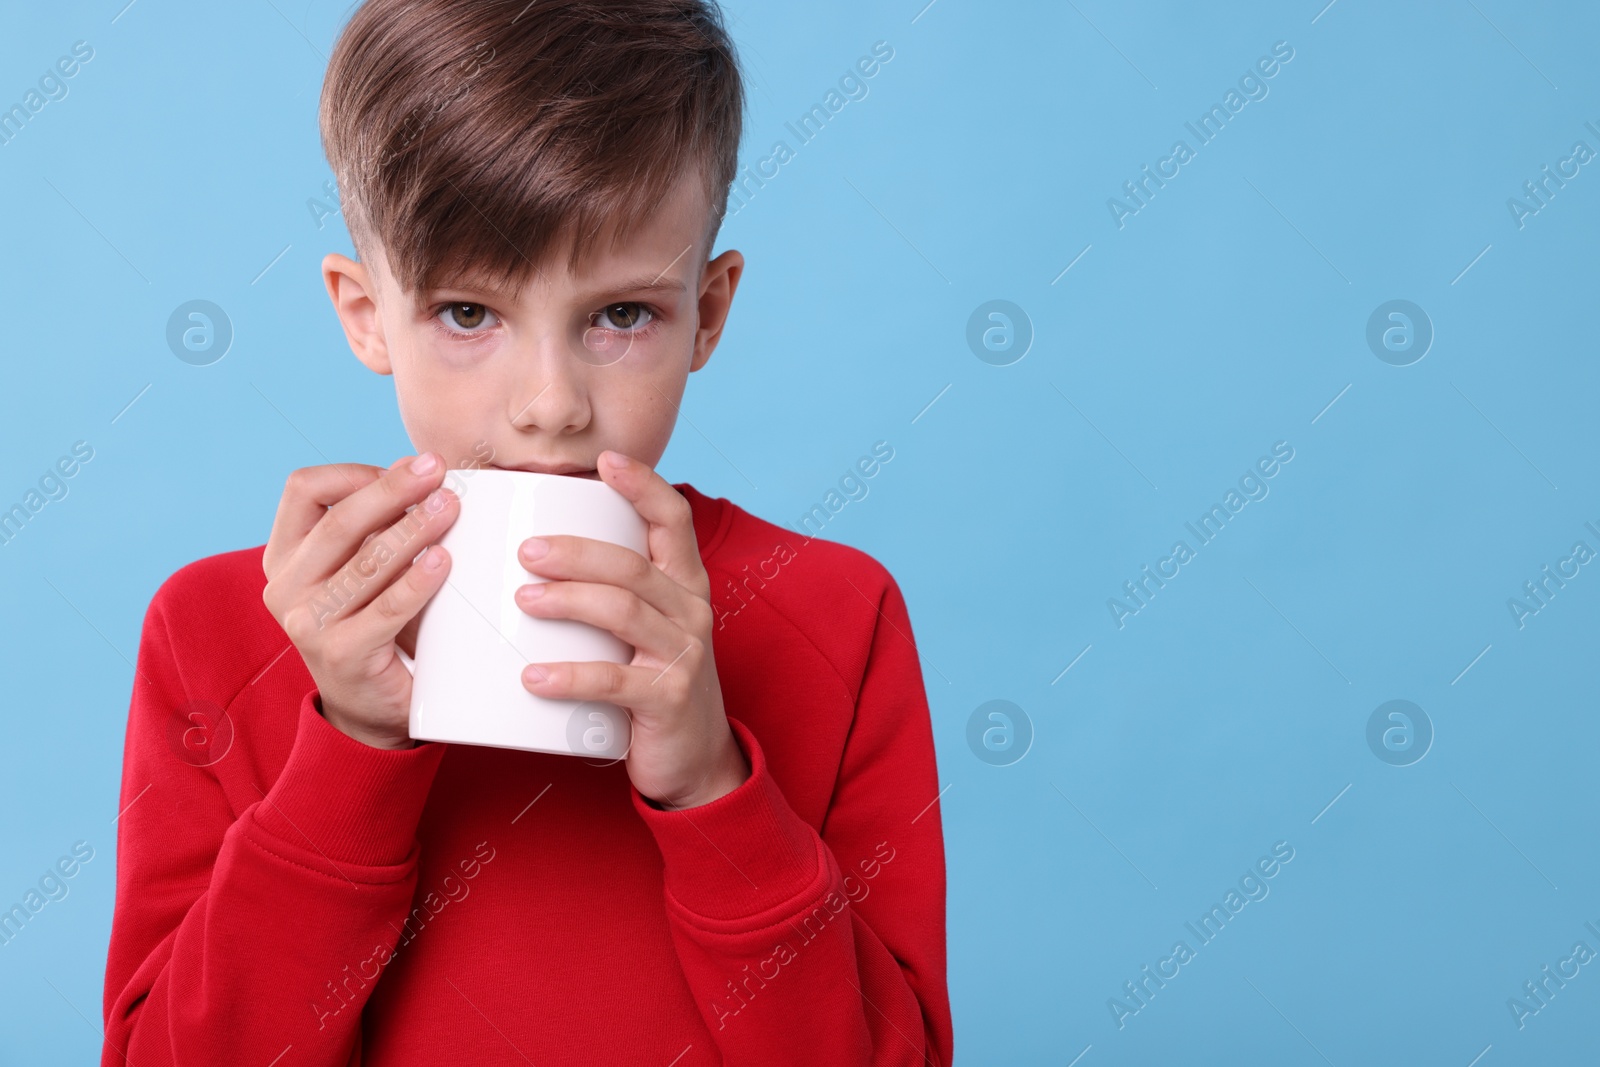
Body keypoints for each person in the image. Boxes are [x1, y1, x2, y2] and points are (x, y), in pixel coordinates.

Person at [100, 1, 951, 1063]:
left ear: (709, 310)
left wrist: (712, 783)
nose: (550, 403)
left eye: (621, 315)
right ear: (366, 315)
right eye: (467, 314)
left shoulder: (837, 614)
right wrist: (353, 744)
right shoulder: (218, 630)